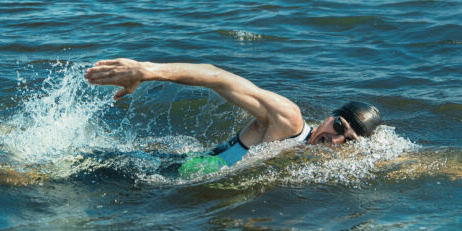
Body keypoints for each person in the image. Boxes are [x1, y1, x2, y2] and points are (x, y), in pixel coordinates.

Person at [85, 58, 382, 176]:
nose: (335, 139)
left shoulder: (321, 158)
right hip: (159, 173)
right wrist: (148, 71)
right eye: (339, 126)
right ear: (331, 117)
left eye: (348, 140)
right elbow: (221, 78)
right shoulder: (289, 122)